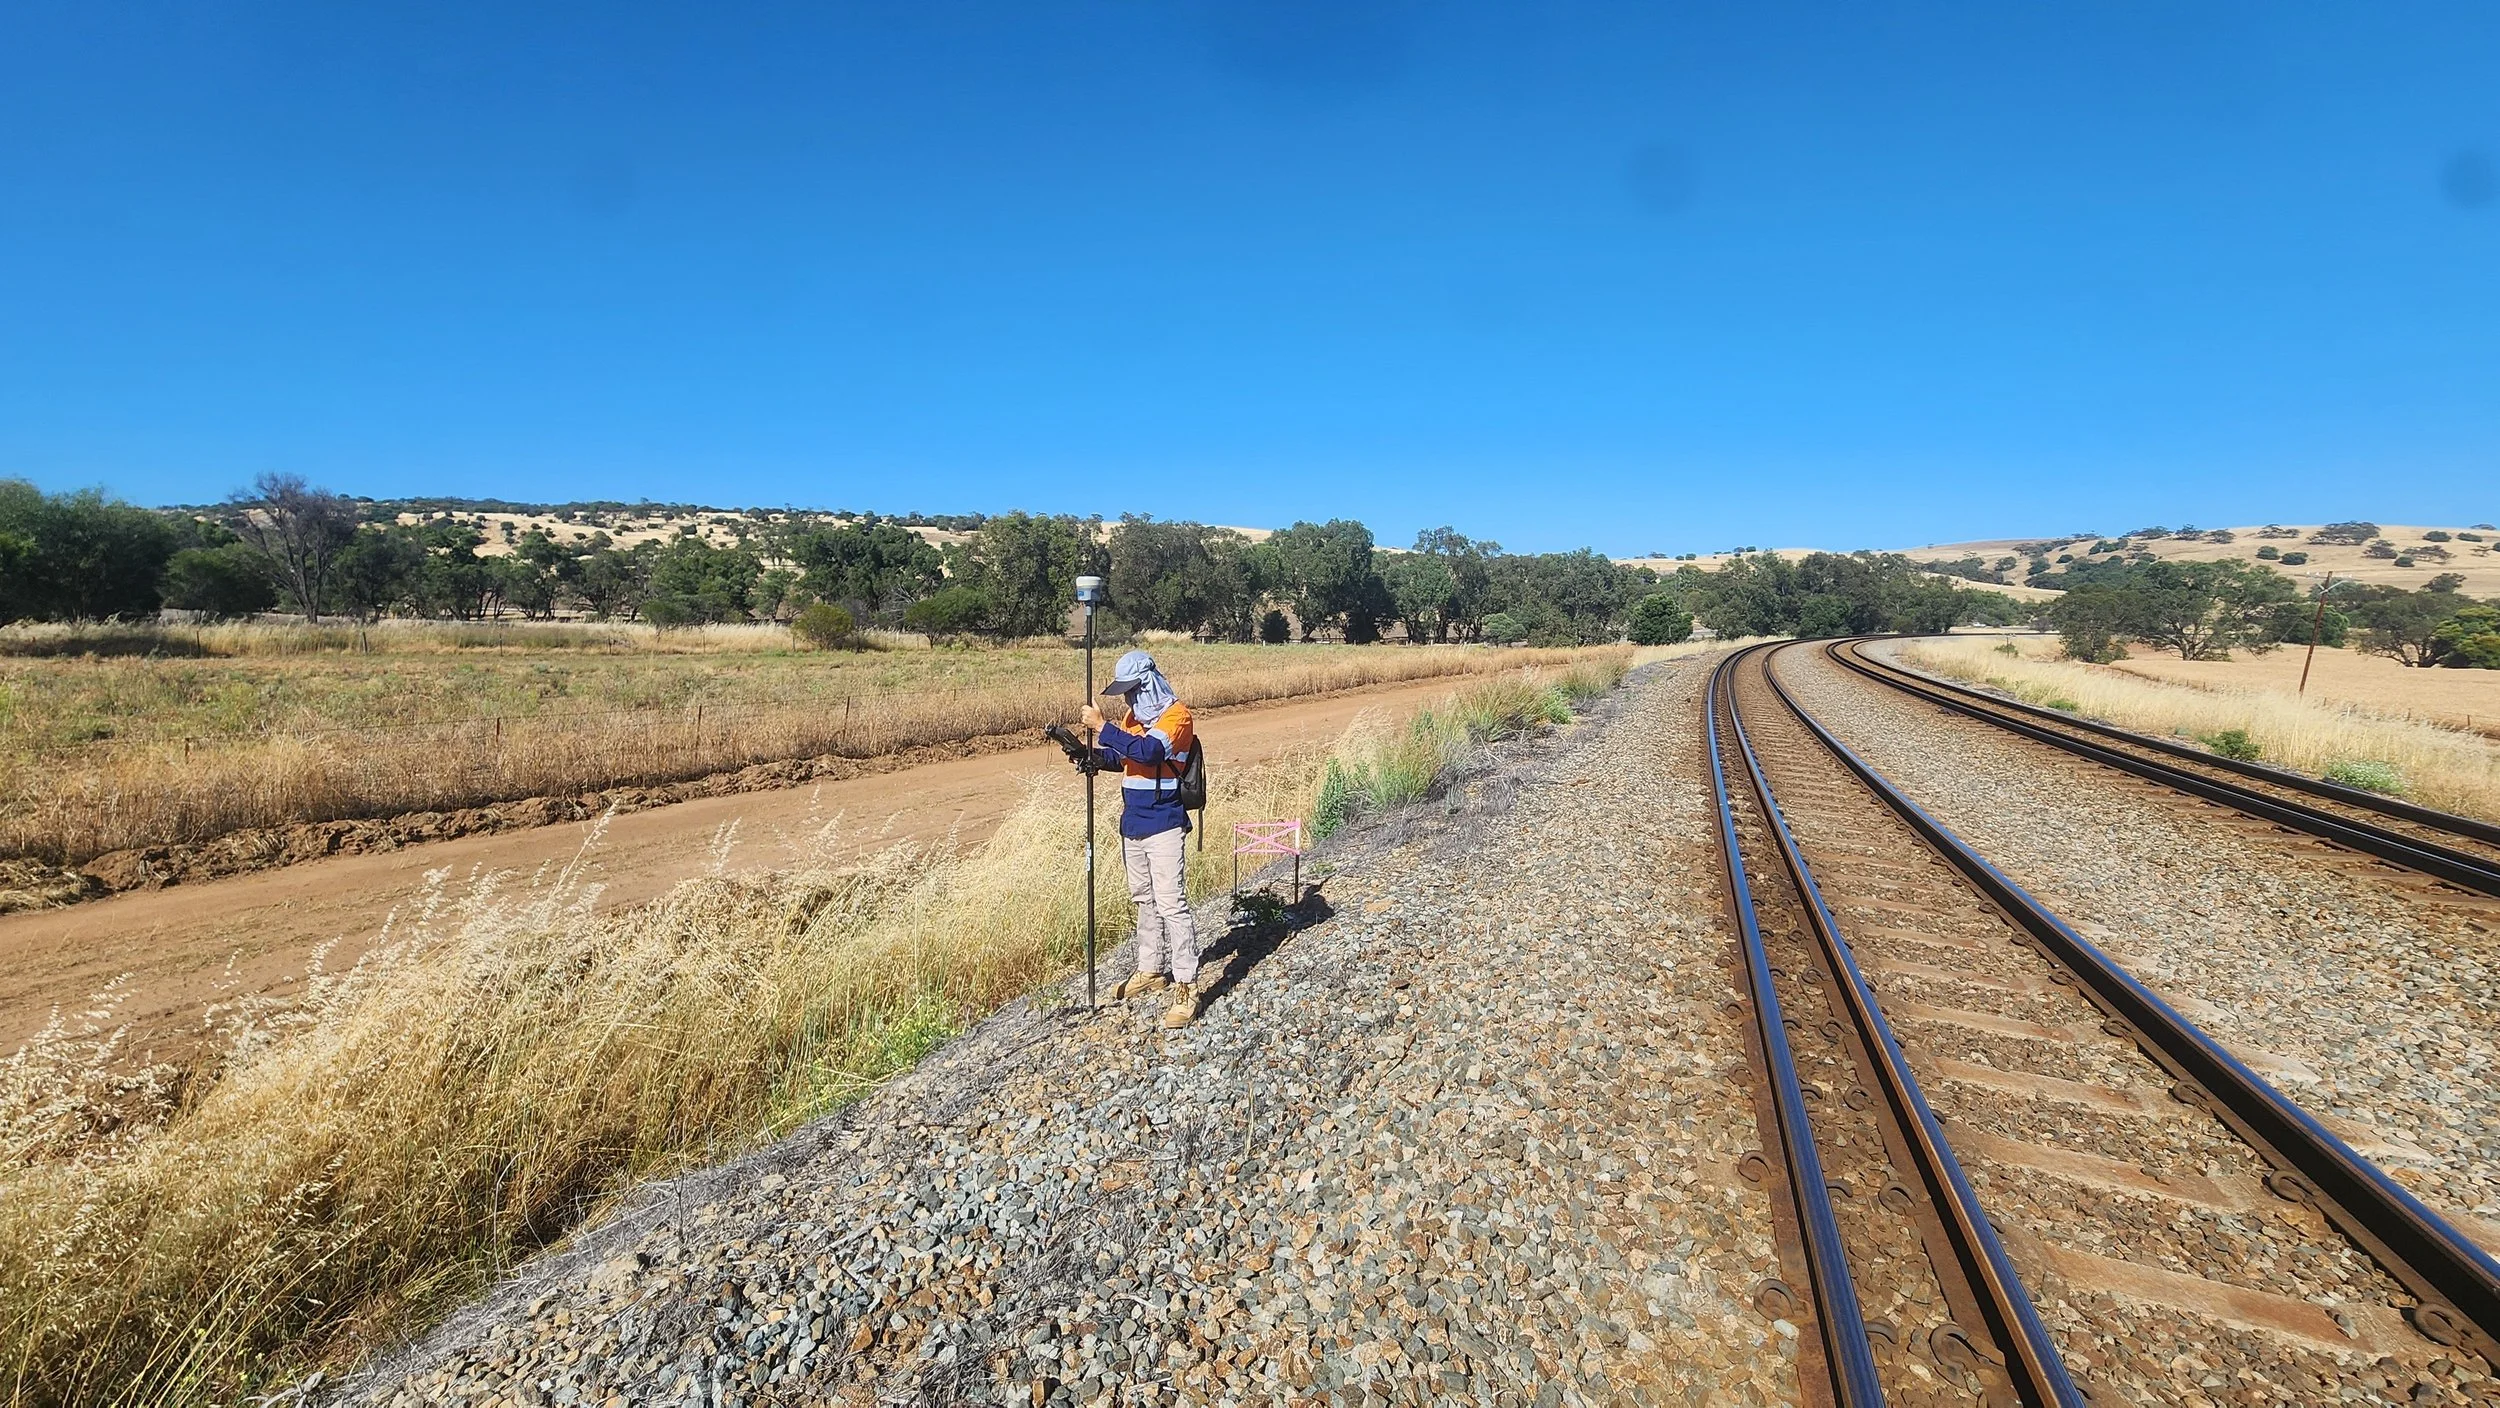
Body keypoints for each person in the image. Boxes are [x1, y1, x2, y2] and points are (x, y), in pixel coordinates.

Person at [1080, 649, 1203, 1028]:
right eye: (1126, 693)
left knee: (1171, 904)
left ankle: (1187, 984)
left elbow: (1149, 753)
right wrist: (1095, 757)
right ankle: (1151, 969)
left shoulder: (1177, 717)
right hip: (1133, 823)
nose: (1130, 699)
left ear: (1149, 681)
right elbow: (1126, 758)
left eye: (1134, 690)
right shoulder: (1135, 718)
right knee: (1144, 901)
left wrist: (1103, 728)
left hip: (1164, 822)